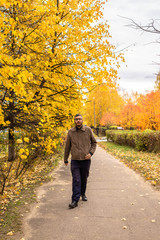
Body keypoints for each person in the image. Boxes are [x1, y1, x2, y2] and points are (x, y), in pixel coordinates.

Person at [64, 114, 97, 209]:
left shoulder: (88, 130)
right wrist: (65, 159)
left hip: (86, 160)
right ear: (74, 121)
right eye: (76, 119)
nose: (78, 120)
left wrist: (91, 153)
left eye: (79, 119)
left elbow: (94, 143)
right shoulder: (71, 132)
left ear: (82, 120)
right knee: (76, 179)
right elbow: (67, 146)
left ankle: (83, 193)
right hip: (75, 160)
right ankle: (75, 200)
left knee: (84, 178)